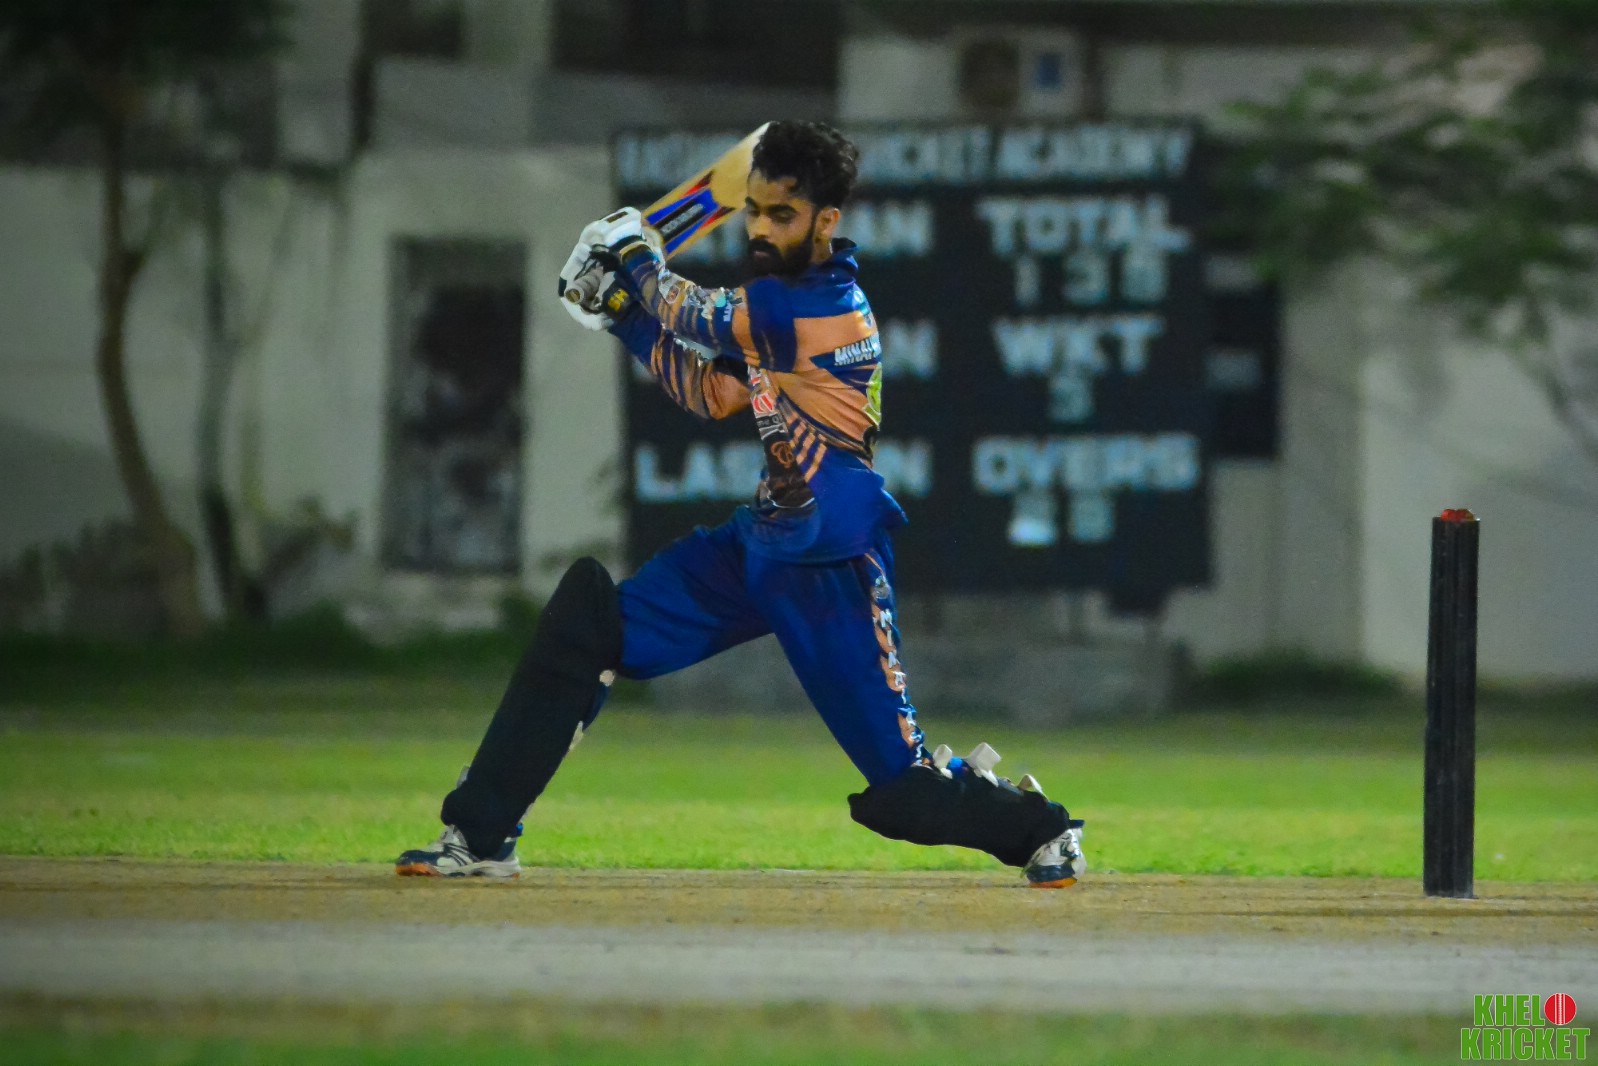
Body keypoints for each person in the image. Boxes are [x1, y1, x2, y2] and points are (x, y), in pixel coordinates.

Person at [395, 121, 1085, 887]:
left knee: (906, 794)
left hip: (829, 561)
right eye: (752, 209)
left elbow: (695, 315)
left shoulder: (817, 306)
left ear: (826, 221)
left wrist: (633, 258)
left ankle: (1044, 831)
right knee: (589, 627)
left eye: (781, 215)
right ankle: (481, 833)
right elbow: (712, 393)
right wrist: (622, 314)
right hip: (760, 544)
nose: (759, 227)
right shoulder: (774, 301)